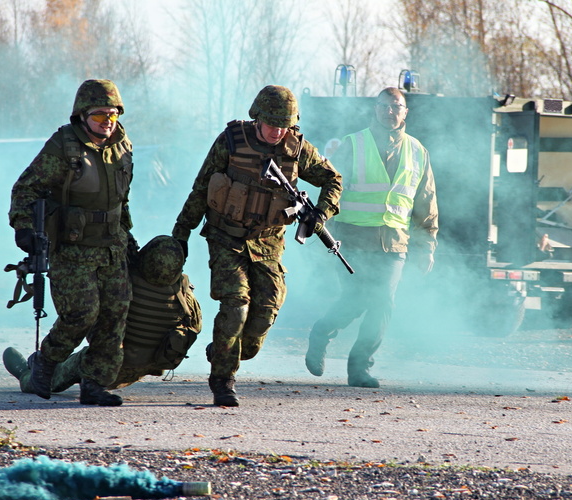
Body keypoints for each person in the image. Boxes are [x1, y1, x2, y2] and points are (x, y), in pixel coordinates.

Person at [172, 85, 342, 407]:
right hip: (226, 239)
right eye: (272, 124)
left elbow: (333, 179)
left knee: (258, 324)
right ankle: (223, 381)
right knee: (235, 307)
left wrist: (322, 213)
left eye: (285, 125)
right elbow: (200, 188)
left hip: (268, 245)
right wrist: (181, 233)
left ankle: (224, 350)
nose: (278, 131)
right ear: (257, 117)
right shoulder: (232, 141)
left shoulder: (298, 149)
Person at [8, 79, 136, 405]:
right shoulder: (63, 146)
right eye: (99, 116)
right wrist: (24, 229)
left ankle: (94, 384)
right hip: (73, 247)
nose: (107, 122)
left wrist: (128, 234)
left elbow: (122, 198)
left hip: (111, 245)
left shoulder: (123, 145)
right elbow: (26, 189)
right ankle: (46, 362)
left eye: (112, 115)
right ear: (82, 115)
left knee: (114, 315)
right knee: (82, 313)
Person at [305, 87, 439, 388]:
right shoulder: (353, 144)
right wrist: (322, 228)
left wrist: (427, 247)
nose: (389, 111)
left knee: (383, 302)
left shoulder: (418, 151)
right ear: (374, 109)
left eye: (396, 106)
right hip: (353, 238)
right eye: (384, 106)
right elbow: (332, 189)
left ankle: (359, 368)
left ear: (405, 112)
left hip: (394, 242)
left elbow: (426, 203)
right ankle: (321, 333)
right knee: (356, 297)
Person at [2, 235, 202, 402]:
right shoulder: (184, 293)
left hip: (106, 364)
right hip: (147, 366)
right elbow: (194, 328)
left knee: (52, 376)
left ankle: (26, 374)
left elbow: (96, 316)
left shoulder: (123, 281)